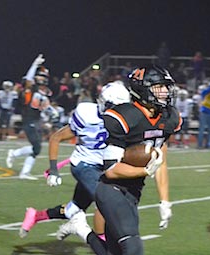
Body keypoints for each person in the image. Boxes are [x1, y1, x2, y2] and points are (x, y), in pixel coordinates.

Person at [55, 65, 181, 255]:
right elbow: (111, 169)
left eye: (166, 87)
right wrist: (144, 169)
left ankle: (81, 228)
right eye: (158, 87)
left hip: (133, 192)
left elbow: (162, 159)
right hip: (110, 189)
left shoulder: (168, 117)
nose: (165, 93)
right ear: (142, 91)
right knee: (134, 249)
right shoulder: (123, 117)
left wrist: (165, 201)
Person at [19, 81, 131, 240]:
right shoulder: (86, 113)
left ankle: (36, 216)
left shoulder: (124, 120)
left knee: (73, 209)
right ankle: (102, 247)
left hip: (102, 168)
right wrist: (53, 169)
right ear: (103, 103)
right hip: (84, 166)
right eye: (115, 108)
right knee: (106, 201)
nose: (118, 113)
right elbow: (56, 138)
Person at [6, 54, 54, 180]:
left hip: (37, 120)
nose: (42, 78)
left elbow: (44, 106)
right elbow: (28, 78)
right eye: (40, 76)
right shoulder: (30, 89)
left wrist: (52, 113)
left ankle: (23, 169)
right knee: (36, 147)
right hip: (29, 120)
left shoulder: (43, 91)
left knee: (36, 149)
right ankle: (17, 159)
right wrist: (34, 64)